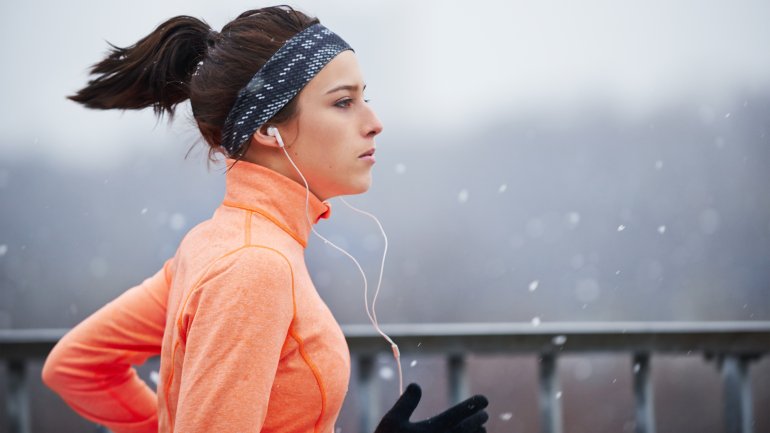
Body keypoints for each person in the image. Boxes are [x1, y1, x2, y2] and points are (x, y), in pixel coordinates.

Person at [42, 6, 489, 433]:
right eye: (343, 103)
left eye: (364, 98)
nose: (374, 122)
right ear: (266, 130)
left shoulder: (215, 243)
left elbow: (79, 364)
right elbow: (78, 367)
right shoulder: (253, 266)